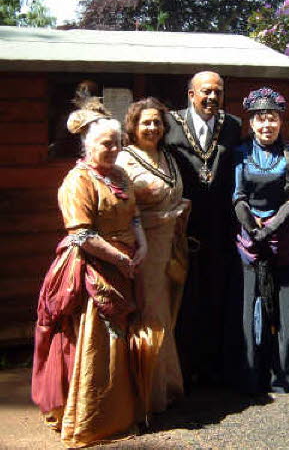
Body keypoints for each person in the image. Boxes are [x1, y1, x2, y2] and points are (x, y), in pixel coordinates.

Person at [31, 100, 147, 447]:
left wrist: (141, 247)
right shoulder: (76, 181)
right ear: (88, 146)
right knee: (96, 340)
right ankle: (91, 420)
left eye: (117, 142)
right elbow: (81, 234)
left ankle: (120, 412)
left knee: (121, 337)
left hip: (125, 263)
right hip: (91, 270)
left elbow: (135, 215)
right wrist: (120, 259)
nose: (113, 149)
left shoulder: (121, 175)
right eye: (105, 143)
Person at [165, 71, 241, 388]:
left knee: (214, 299)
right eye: (206, 92)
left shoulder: (233, 126)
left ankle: (212, 369)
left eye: (218, 93)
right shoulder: (169, 125)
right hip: (182, 229)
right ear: (191, 93)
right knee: (183, 304)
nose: (212, 98)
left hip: (220, 230)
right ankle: (183, 369)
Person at [117, 97, 190, 413]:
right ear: (133, 125)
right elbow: (119, 209)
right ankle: (149, 393)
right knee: (152, 315)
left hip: (172, 244)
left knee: (169, 314)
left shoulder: (167, 156)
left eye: (157, 122)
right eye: (146, 122)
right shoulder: (123, 160)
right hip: (143, 247)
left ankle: (168, 384)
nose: (152, 128)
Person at [232, 87, 289, 394]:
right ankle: (251, 377)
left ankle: (285, 375)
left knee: (284, 308)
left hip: (282, 240)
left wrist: (272, 227)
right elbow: (238, 196)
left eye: (272, 119)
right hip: (249, 241)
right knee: (250, 306)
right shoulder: (240, 154)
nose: (266, 126)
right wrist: (253, 228)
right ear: (251, 123)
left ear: (280, 122)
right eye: (260, 119)